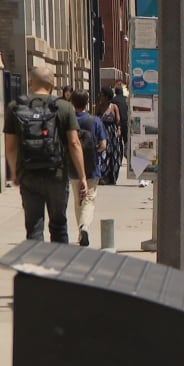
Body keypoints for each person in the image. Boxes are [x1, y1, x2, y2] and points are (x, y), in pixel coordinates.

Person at [3, 65, 87, 243]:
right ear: (53, 84)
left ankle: (37, 269)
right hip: (57, 174)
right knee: (58, 226)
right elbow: (74, 143)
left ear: (30, 82)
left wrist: (14, 172)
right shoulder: (64, 107)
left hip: (29, 174)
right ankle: (59, 267)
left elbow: (10, 146)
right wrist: (82, 176)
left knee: (33, 228)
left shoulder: (14, 107)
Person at [70, 89, 108, 246]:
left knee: (78, 199)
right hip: (92, 167)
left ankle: (80, 232)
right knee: (89, 199)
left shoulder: (69, 120)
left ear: (72, 102)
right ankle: (84, 226)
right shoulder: (95, 121)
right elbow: (103, 145)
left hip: (73, 167)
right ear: (87, 102)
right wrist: (95, 151)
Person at [95, 86, 122, 184]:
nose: (100, 97)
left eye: (102, 95)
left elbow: (118, 121)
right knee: (102, 155)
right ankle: (102, 177)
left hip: (112, 134)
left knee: (113, 155)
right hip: (101, 134)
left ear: (107, 96)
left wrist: (119, 129)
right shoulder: (99, 106)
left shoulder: (114, 106)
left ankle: (111, 177)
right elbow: (95, 119)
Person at [112, 84, 129, 156]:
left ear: (115, 92)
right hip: (126, 122)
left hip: (117, 123)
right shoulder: (127, 99)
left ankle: (120, 155)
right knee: (126, 141)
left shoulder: (113, 100)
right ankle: (127, 154)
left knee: (119, 141)